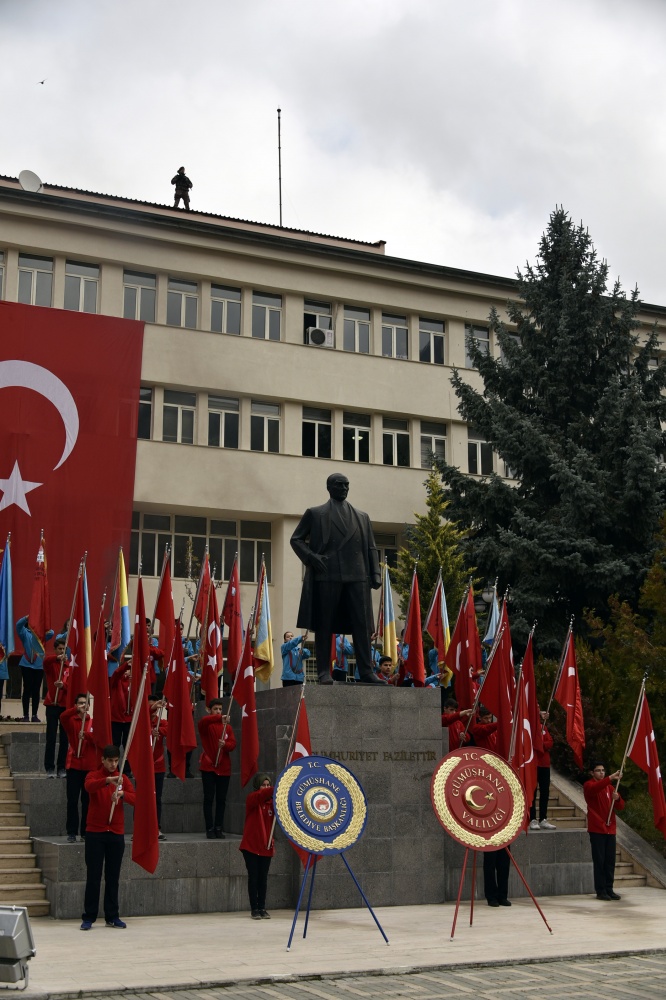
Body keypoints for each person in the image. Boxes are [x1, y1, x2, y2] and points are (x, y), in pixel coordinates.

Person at [290, 473, 382, 685]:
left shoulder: (362, 516)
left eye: (346, 485)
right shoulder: (315, 513)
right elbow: (296, 540)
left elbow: (371, 547)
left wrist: (375, 573)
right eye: (339, 485)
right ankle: (323, 671)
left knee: (362, 625)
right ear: (329, 487)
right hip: (328, 574)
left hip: (358, 575)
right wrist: (312, 557)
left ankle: (366, 671)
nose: (344, 488)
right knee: (324, 624)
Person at [80, 745, 136, 930]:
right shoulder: (94, 775)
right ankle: (89, 916)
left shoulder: (123, 779)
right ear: (103, 760)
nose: (113, 764)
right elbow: (89, 786)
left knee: (113, 877)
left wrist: (122, 794)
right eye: (110, 760)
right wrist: (107, 781)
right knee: (93, 876)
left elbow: (136, 798)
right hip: (95, 833)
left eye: (116, 761)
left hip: (115, 833)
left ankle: (112, 916)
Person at [583, 761, 624, 901]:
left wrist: (617, 799)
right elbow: (595, 788)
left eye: (603, 770)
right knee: (599, 861)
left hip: (610, 829)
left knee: (610, 861)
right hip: (597, 829)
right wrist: (610, 777)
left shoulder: (609, 787)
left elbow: (621, 806)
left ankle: (609, 888)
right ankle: (600, 891)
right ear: (592, 773)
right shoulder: (589, 785)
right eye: (598, 770)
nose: (601, 773)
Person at [61, 694, 98, 842]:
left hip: (89, 767)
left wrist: (87, 736)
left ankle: (85, 831)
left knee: (87, 801)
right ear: (76, 705)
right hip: (74, 766)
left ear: (89, 706)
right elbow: (62, 717)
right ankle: (71, 831)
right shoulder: (71, 721)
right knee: (72, 800)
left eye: (85, 703)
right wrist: (75, 710)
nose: (83, 705)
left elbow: (100, 739)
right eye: (80, 703)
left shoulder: (94, 722)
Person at [198, 697, 236, 839]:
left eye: (220, 709)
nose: (218, 711)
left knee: (221, 799)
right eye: (215, 709)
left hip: (224, 767)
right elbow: (203, 722)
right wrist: (219, 718)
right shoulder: (206, 726)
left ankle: (218, 827)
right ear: (209, 710)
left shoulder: (228, 727)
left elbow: (233, 744)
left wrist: (225, 745)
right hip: (208, 767)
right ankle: (209, 828)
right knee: (208, 798)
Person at [239, 773, 275, 919]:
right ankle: (254, 908)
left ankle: (262, 907)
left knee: (263, 878)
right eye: (263, 785)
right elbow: (261, 795)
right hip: (251, 846)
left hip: (266, 846)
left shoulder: (273, 804)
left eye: (268, 785)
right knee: (253, 877)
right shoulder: (252, 799)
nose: (266, 787)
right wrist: (279, 786)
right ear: (257, 786)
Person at [16, 614, 54, 722]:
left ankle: (34, 715)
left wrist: (42, 623)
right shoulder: (24, 633)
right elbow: (18, 625)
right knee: (27, 689)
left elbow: (51, 632)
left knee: (36, 690)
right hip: (26, 664)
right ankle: (25, 715)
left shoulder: (42, 635)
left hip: (38, 665)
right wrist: (26, 618)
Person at [42, 638, 70, 777]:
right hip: (52, 704)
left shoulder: (70, 666)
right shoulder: (51, 663)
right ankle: (49, 768)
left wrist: (63, 686)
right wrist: (56, 658)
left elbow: (73, 685)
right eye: (59, 649)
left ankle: (61, 768)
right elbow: (45, 662)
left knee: (64, 739)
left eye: (64, 649)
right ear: (55, 650)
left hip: (65, 706)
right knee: (51, 738)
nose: (62, 652)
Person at [529, 712, 556, 830]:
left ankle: (543, 818)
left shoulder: (543, 727)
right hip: (533, 764)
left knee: (545, 791)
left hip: (545, 764)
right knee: (533, 792)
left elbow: (550, 742)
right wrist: (539, 745)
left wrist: (541, 745)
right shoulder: (528, 728)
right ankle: (532, 819)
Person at [148, 695, 168, 840]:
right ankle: (139, 828)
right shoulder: (142, 721)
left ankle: (156, 827)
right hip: (144, 766)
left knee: (157, 798)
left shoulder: (162, 722)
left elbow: (168, 729)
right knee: (141, 798)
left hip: (158, 766)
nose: (154, 709)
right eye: (150, 706)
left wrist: (158, 730)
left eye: (155, 706)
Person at [109, 658, 133, 775]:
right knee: (115, 744)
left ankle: (127, 769)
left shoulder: (134, 682)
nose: (128, 672)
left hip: (129, 719)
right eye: (127, 669)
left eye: (130, 670)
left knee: (128, 746)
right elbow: (116, 674)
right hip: (116, 719)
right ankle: (115, 768)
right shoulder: (116, 681)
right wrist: (126, 665)